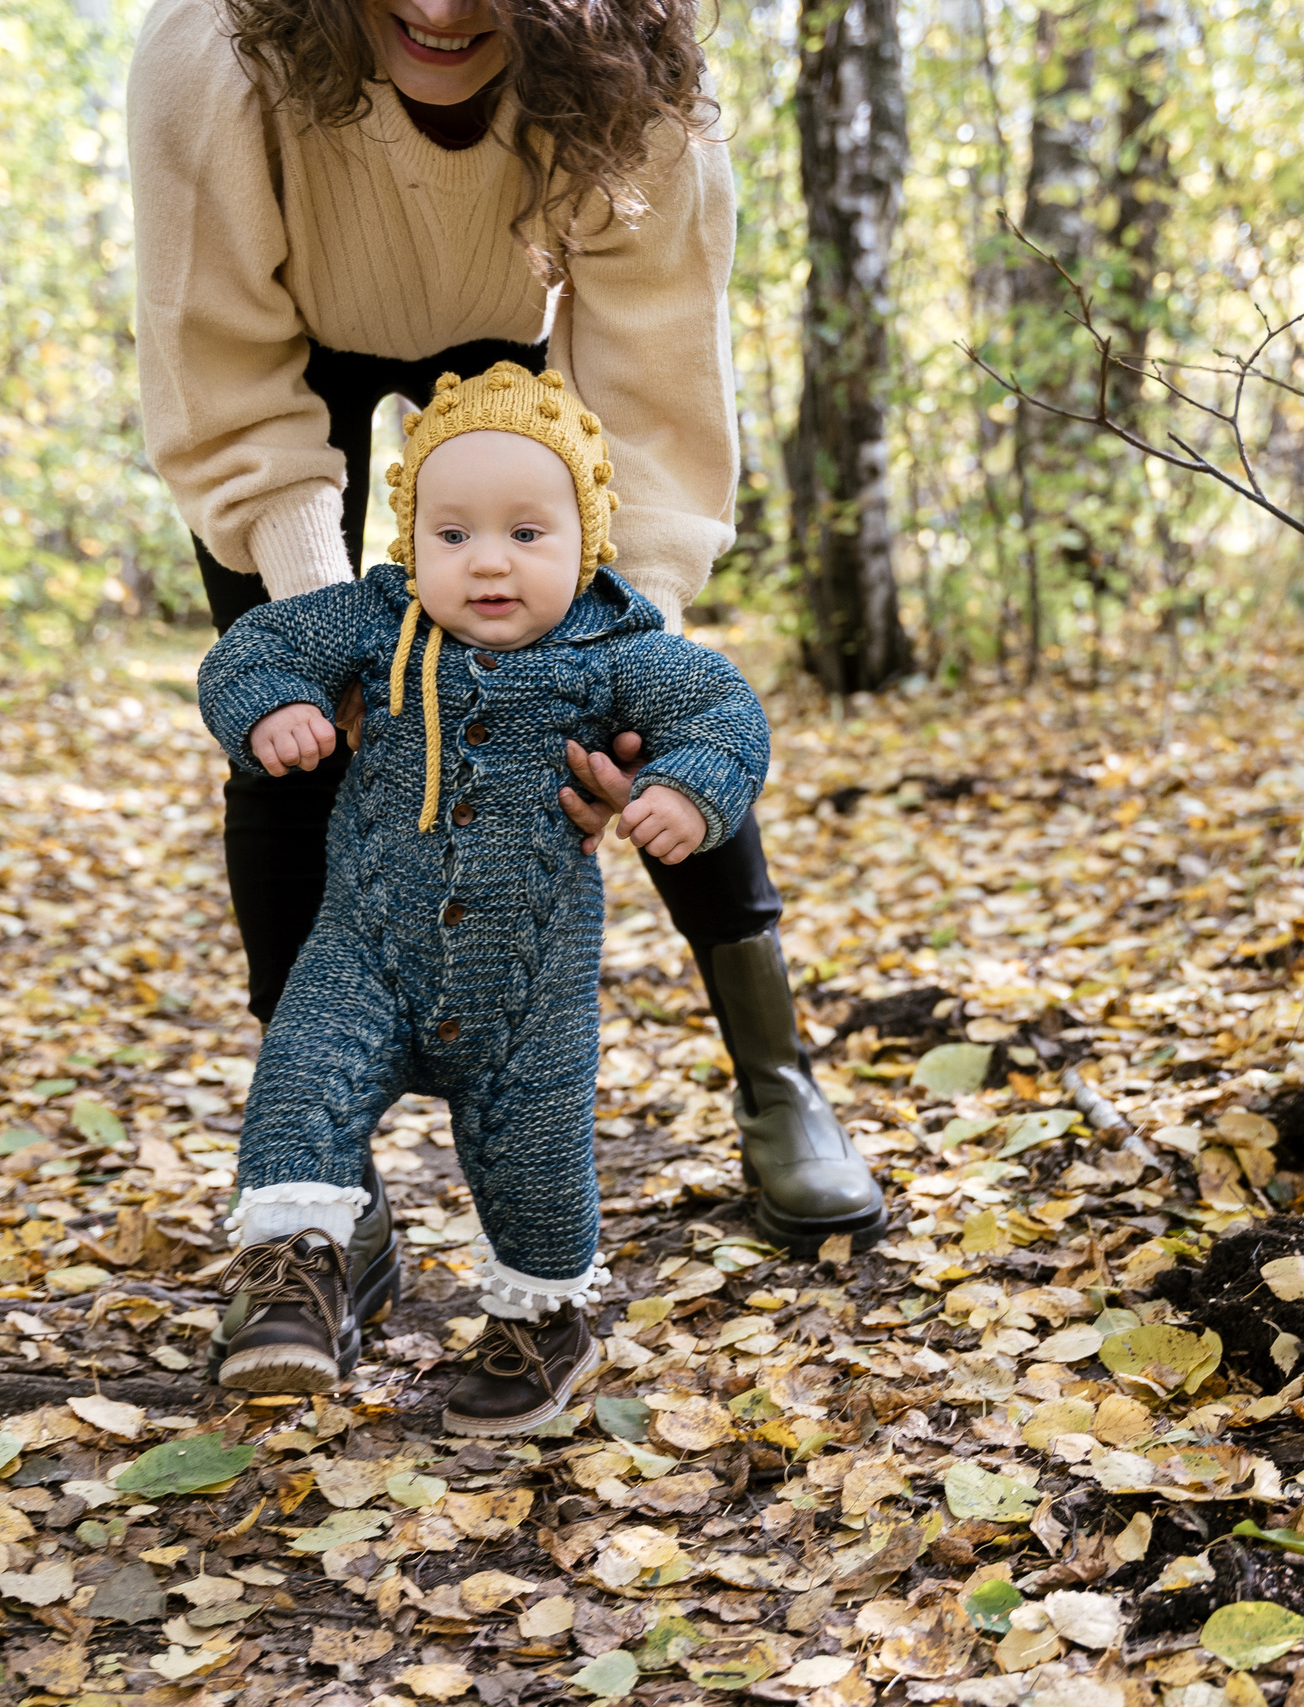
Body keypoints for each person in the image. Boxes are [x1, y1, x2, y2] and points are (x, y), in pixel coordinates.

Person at [125, 0, 887, 1289]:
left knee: (654, 698)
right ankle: (322, 1184)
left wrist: (611, 655)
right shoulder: (216, 49)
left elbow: (651, 383)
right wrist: (342, 641)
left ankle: (777, 1085)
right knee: (289, 741)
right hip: (288, 361)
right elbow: (224, 367)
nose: (433, 9)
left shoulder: (634, 79)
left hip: (525, 344)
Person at [198, 363, 767, 1432]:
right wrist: (269, 705)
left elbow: (723, 710)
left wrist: (694, 788)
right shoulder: (374, 621)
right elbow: (255, 644)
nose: (487, 562)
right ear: (409, 543)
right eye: (451, 535)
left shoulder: (619, 650)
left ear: (587, 543)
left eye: (525, 534)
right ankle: (295, 1282)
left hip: (529, 996)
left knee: (538, 1169)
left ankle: (542, 1325)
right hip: (365, 951)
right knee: (300, 1077)